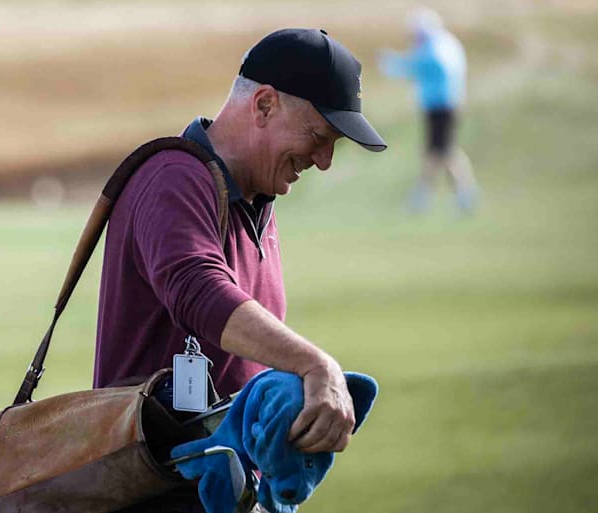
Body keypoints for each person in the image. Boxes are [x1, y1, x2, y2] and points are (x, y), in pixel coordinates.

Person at [93, 28, 387, 512]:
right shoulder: (175, 178)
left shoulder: (253, 201)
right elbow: (197, 289)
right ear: (265, 105)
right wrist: (316, 365)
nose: (325, 161)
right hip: (153, 495)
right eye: (318, 136)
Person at [379, 7, 479, 214]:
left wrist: (394, 64)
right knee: (444, 151)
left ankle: (424, 197)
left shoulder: (435, 47)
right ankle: (462, 195)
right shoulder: (442, 43)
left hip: (442, 105)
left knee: (437, 152)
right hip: (442, 105)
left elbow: (420, 66)